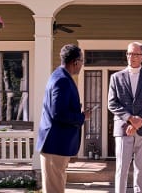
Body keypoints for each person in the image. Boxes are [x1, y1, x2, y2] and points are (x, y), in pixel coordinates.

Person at [36, 44, 90, 193]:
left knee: (56, 185)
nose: (82, 65)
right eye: (82, 61)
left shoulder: (58, 75)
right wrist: (82, 116)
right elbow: (58, 113)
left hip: (55, 144)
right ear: (75, 62)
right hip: (55, 144)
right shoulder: (62, 80)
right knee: (55, 189)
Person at [108, 42, 142, 193]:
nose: (131, 57)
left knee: (141, 169)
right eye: (129, 53)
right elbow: (112, 103)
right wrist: (130, 118)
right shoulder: (116, 77)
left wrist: (137, 122)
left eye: (135, 54)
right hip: (123, 129)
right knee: (121, 168)